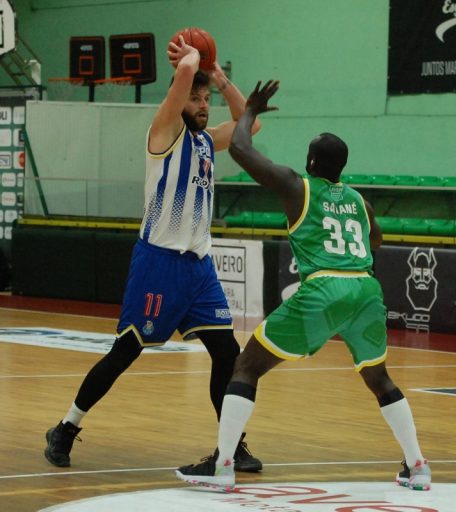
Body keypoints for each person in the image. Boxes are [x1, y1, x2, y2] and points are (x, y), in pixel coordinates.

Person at [175, 81, 431, 491]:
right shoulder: (360, 201)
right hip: (365, 290)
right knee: (379, 378)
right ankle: (417, 466)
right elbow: (376, 240)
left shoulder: (298, 187)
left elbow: (240, 148)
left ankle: (222, 465)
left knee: (246, 366)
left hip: (324, 288)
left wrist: (251, 111)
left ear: (311, 161)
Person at [43, 35, 264, 472]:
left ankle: (231, 444)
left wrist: (218, 77)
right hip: (158, 264)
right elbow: (182, 79)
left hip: (199, 268)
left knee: (227, 353)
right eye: (195, 98)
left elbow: (249, 126)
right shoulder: (163, 132)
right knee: (126, 351)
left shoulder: (206, 142)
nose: (203, 105)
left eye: (206, 99)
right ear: (179, 100)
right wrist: (191, 60)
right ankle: (66, 427)